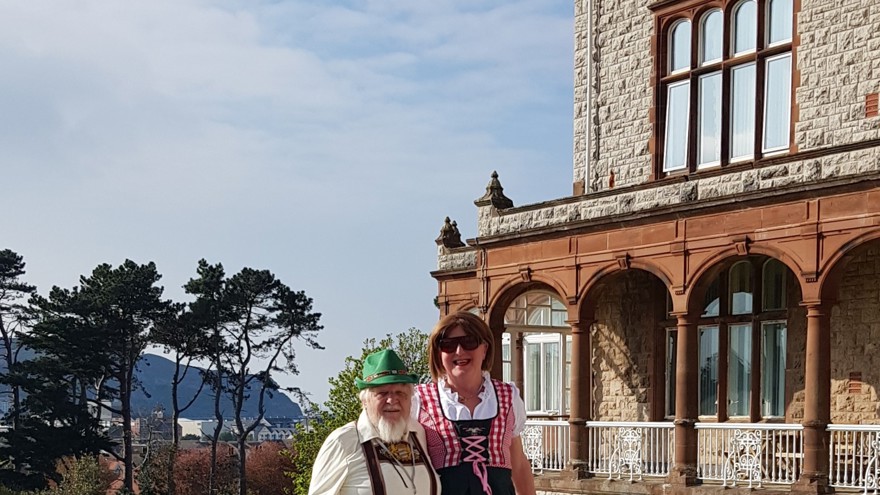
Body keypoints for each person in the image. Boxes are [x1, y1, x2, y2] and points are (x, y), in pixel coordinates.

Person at [415, 311, 536, 495]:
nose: (459, 351)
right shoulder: (419, 400)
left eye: (469, 342)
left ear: (484, 348)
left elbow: (518, 465)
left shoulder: (508, 396)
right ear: (439, 353)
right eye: (448, 345)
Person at [309, 349, 441, 495]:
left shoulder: (418, 434)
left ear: (410, 399)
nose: (392, 400)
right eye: (382, 393)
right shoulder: (343, 441)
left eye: (400, 393)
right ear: (364, 400)